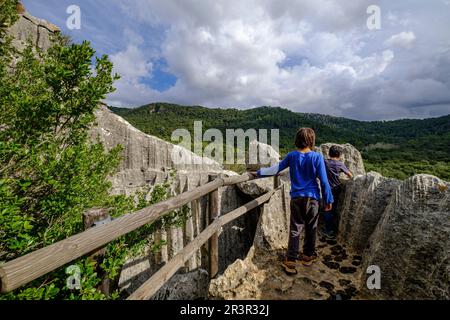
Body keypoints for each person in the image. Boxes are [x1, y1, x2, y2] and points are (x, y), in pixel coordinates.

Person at [251, 128, 333, 275]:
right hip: (313, 198)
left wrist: (258, 173)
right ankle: (308, 256)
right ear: (311, 141)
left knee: (295, 229)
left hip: (296, 198)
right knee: (311, 228)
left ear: (297, 140)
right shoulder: (317, 157)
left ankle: (290, 261)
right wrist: (328, 199)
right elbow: (324, 181)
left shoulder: (292, 156)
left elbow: (275, 169)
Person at [321, 145, 353, 240]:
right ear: (339, 155)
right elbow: (350, 175)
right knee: (333, 208)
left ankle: (329, 231)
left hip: (327, 189)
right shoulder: (339, 164)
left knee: (327, 209)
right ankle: (331, 228)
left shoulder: (325, 162)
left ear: (329, 153)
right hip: (337, 188)